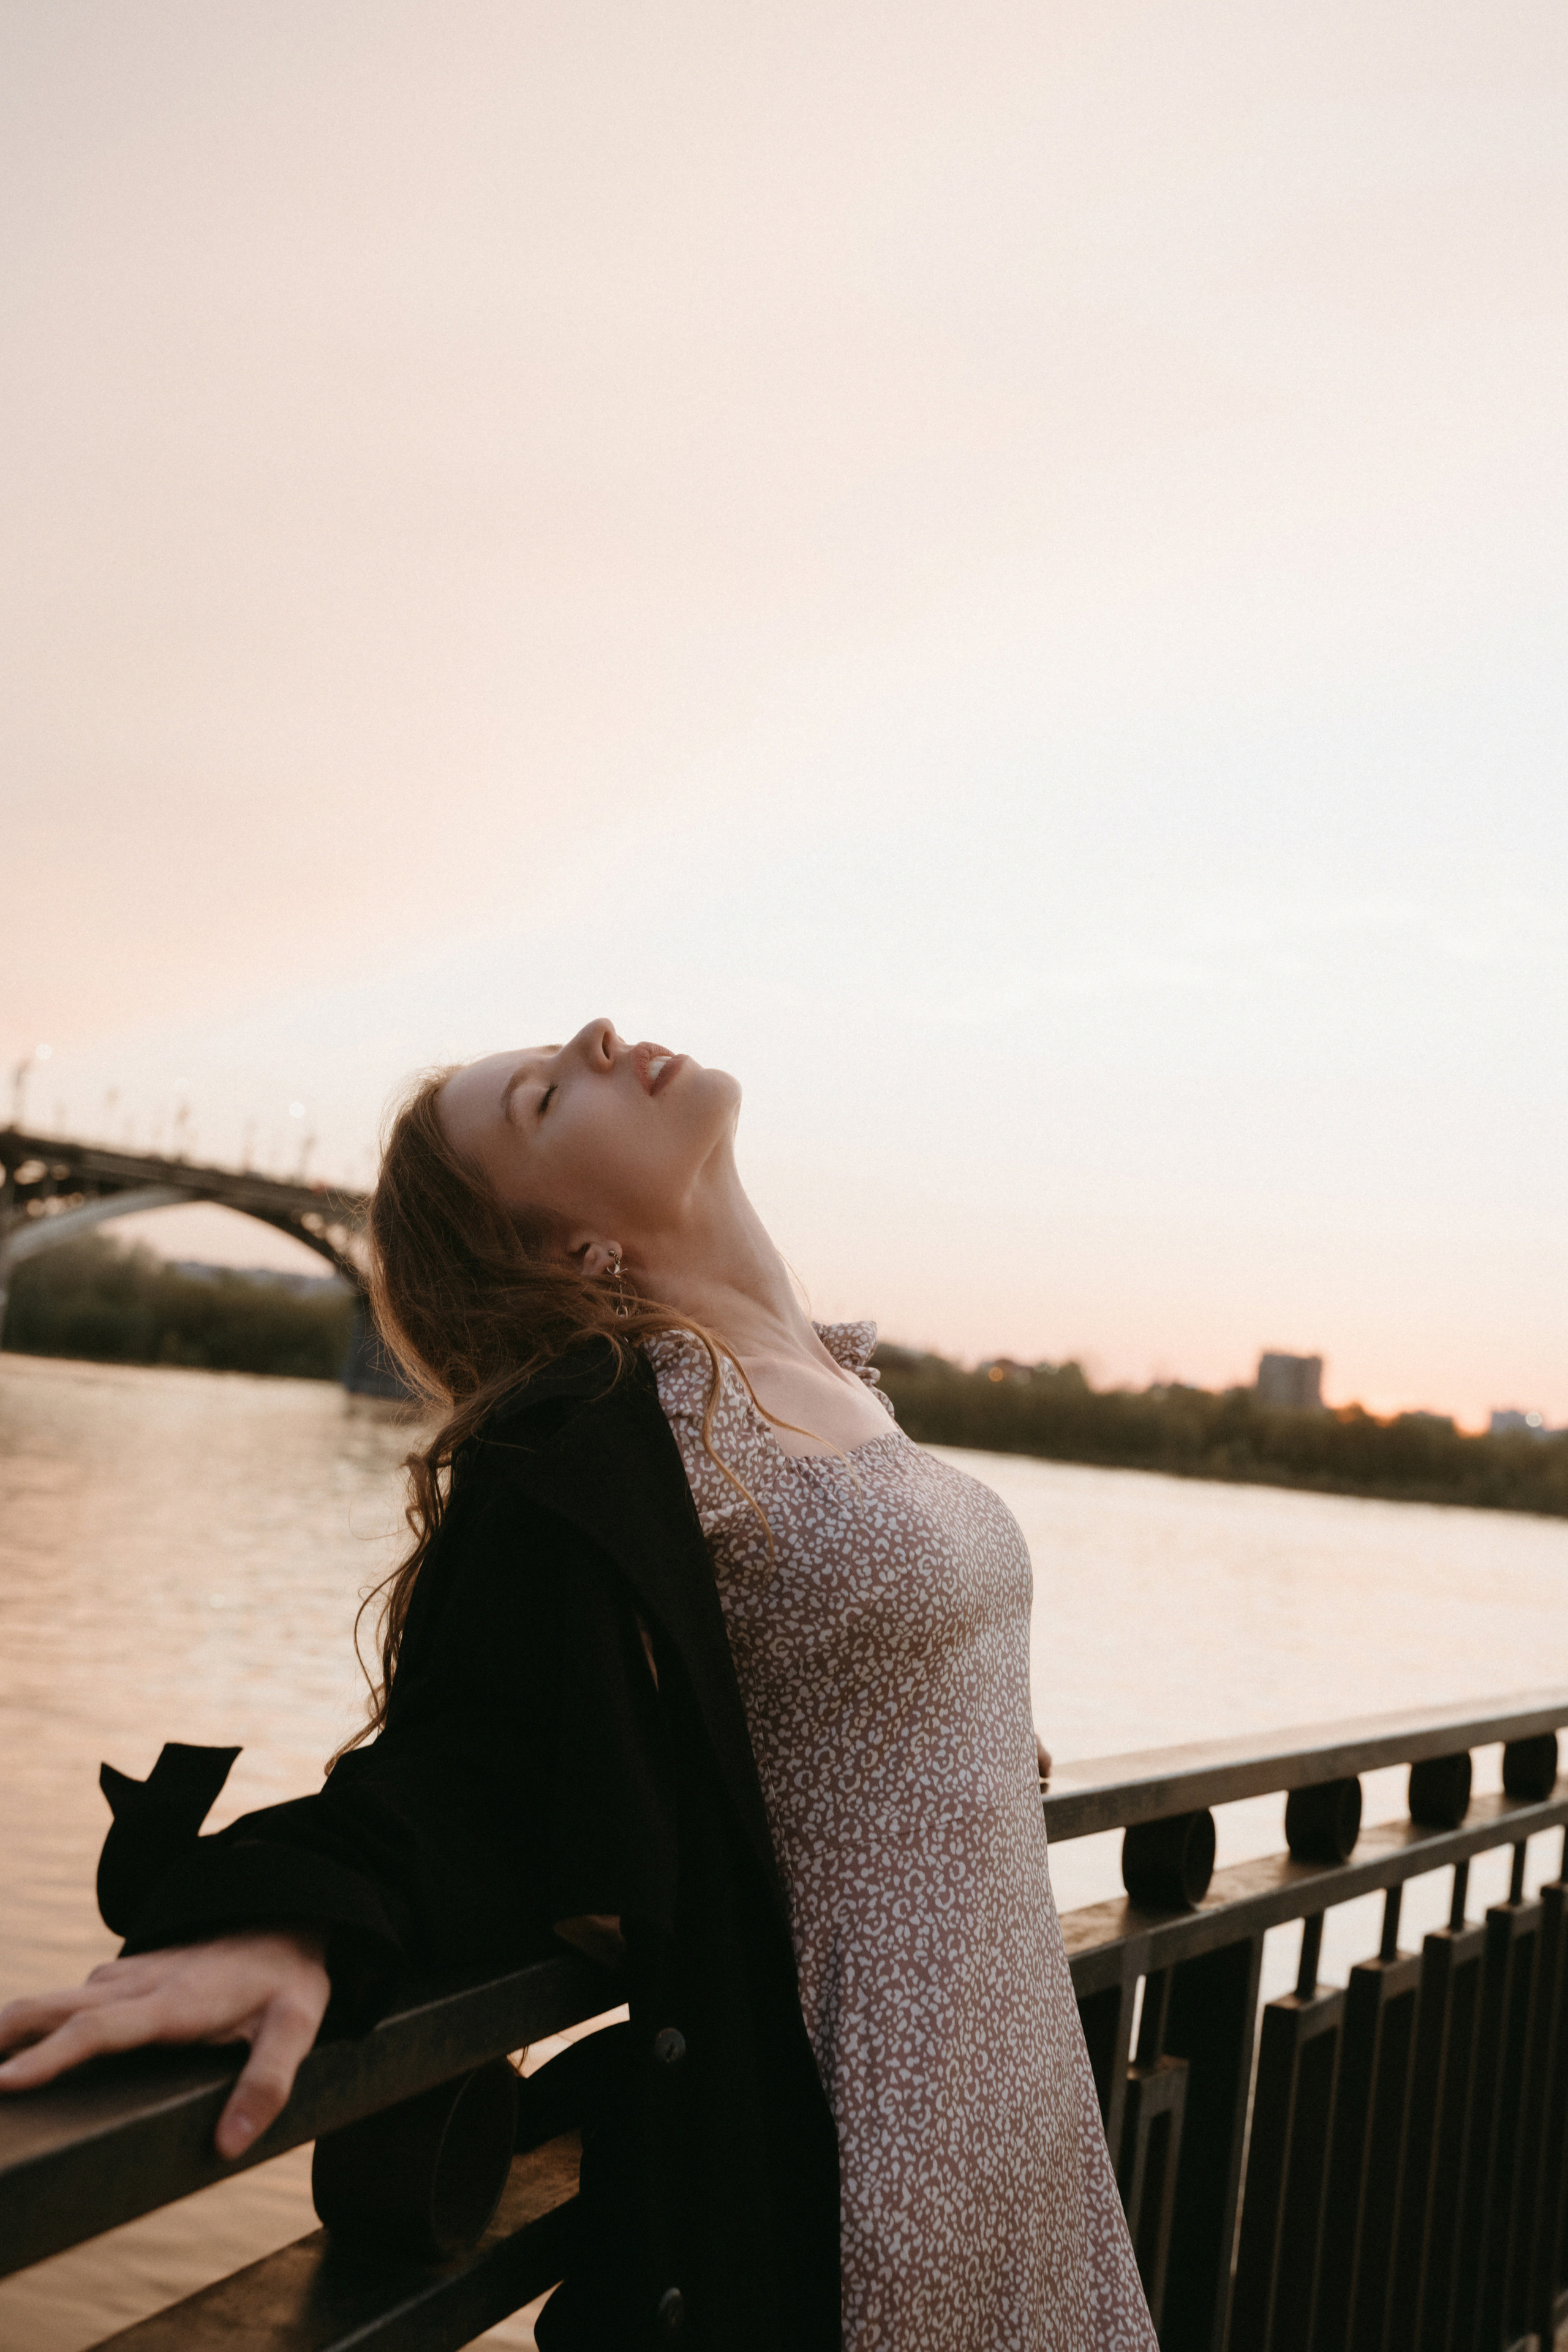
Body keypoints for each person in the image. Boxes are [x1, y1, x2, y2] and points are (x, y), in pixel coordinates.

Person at [0, 1020, 1155, 2351]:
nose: (599, 1038)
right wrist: (291, 1917)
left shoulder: (834, 1382)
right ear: (562, 1250)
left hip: (1026, 2136)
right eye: (546, 1098)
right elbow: (476, 1760)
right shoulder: (603, 1427)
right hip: (865, 2176)